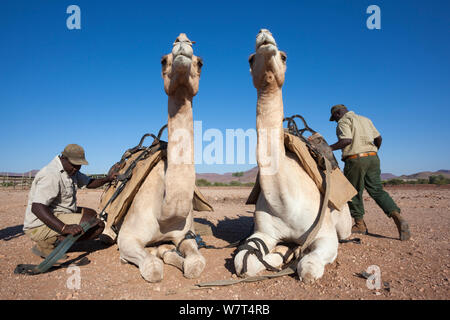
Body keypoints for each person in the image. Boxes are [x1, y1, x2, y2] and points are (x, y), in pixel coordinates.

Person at [328, 104, 411, 240]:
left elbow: (346, 140)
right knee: (377, 190)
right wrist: (373, 151)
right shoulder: (365, 119)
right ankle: (398, 217)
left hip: (356, 160)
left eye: (335, 119)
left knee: (353, 191)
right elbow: (378, 138)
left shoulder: (343, 121)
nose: (336, 121)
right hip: (373, 158)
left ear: (337, 114)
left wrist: (329, 148)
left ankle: (360, 225)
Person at [23, 144, 117, 259]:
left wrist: (108, 178)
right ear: (63, 158)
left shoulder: (72, 171)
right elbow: (37, 207)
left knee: (91, 215)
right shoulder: (51, 174)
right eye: (74, 165)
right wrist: (64, 228)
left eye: (79, 166)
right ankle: (49, 244)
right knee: (97, 225)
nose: (77, 169)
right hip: (39, 225)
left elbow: (90, 183)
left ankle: (58, 239)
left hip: (58, 213)